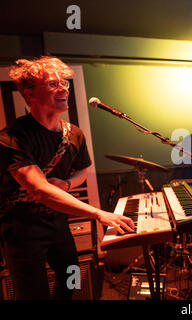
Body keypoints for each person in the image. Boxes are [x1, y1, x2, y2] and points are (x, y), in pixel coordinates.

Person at [0, 56, 134, 300]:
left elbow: (83, 170)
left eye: (65, 83)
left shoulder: (74, 134)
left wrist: (68, 183)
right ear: (29, 95)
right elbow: (39, 190)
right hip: (22, 228)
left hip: (58, 222)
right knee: (33, 294)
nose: (63, 88)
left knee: (71, 278)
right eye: (52, 84)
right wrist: (98, 213)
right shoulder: (13, 137)